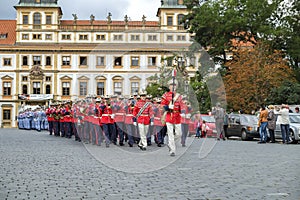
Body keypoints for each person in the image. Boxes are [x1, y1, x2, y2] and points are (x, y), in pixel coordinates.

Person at [161, 79, 184, 156]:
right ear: (169, 86)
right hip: (169, 116)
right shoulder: (165, 95)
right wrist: (168, 107)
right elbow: (162, 106)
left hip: (177, 117)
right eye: (171, 85)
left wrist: (183, 112)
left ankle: (170, 143)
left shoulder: (179, 96)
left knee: (179, 134)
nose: (173, 87)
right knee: (170, 134)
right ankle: (172, 150)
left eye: (174, 85)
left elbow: (182, 105)